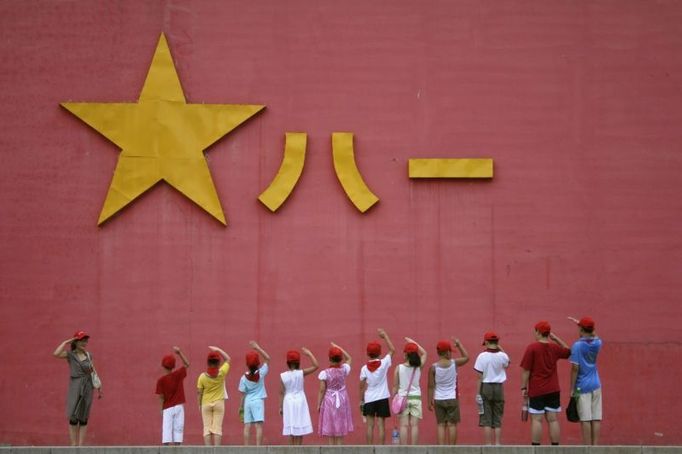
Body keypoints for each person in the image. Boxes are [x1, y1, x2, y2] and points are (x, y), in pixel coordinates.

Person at [520, 321, 570, 445]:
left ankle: (536, 448)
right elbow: (568, 351)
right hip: (553, 389)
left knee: (537, 419)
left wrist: (523, 387)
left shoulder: (532, 348)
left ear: (538, 332)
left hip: (537, 389)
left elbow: (526, 370)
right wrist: (556, 338)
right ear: (548, 333)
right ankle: (555, 448)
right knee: (553, 420)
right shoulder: (554, 348)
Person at [53, 331, 102, 446]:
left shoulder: (88, 355)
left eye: (85, 340)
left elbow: (93, 370)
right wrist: (66, 342)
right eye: (81, 340)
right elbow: (55, 354)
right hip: (75, 385)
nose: (84, 342)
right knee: (73, 415)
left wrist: (99, 385)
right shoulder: (70, 355)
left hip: (88, 386)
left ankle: (80, 446)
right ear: (76, 341)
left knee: (84, 416)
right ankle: (73, 445)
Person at [427, 337, 469, 445]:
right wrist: (459, 345)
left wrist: (429, 401)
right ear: (447, 353)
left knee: (441, 425)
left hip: (438, 399)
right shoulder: (454, 363)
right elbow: (466, 357)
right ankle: (452, 449)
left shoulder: (433, 368)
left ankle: (441, 449)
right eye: (450, 352)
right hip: (452, 398)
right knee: (452, 425)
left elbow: (430, 386)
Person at [568, 316, 602, 445]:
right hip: (596, 384)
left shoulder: (577, 346)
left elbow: (575, 368)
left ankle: (587, 447)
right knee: (596, 417)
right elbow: (595, 334)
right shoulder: (597, 344)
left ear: (581, 329)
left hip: (580, 386)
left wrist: (572, 389)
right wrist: (585, 326)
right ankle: (595, 447)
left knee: (585, 418)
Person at [359, 328, 396, 444]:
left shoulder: (364, 369)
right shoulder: (384, 363)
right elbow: (392, 350)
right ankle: (382, 449)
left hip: (369, 398)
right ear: (380, 353)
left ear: (367, 353)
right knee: (381, 425)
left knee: (370, 426)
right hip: (382, 397)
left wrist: (361, 401)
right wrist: (385, 336)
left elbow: (361, 386)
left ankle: (369, 449)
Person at [473, 332, 510, 445]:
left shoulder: (482, 356)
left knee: (486, 418)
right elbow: (507, 364)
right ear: (497, 342)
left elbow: (479, 377)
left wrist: (478, 393)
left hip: (486, 387)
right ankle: (498, 443)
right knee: (497, 417)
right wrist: (500, 348)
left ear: (486, 342)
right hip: (499, 387)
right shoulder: (503, 356)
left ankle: (488, 444)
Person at [280, 347, 319, 445]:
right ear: (298, 362)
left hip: (288, 401)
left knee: (291, 428)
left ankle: (291, 450)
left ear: (288, 362)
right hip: (300, 400)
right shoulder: (301, 373)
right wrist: (309, 353)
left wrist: (280, 407)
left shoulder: (283, 376)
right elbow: (316, 366)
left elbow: (281, 392)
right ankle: (299, 449)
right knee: (299, 426)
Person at [317, 342, 353, 444]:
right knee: (340, 430)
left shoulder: (324, 373)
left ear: (329, 358)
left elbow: (321, 390)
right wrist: (338, 347)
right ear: (341, 359)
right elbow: (349, 358)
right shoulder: (344, 369)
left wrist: (318, 404)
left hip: (329, 400)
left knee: (331, 431)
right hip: (342, 399)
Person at [393, 337, 427, 445]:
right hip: (416, 398)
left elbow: (395, 386)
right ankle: (414, 450)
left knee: (403, 425)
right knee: (414, 425)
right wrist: (413, 342)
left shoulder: (399, 368)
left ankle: (404, 450)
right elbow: (425, 353)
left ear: (405, 355)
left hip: (403, 398)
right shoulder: (418, 367)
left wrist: (395, 397)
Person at [155, 346, 190, 445]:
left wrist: (161, 409)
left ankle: (166, 449)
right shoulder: (178, 374)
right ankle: (178, 449)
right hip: (179, 406)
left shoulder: (160, 381)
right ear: (173, 366)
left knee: (167, 431)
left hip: (167, 408)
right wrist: (179, 352)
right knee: (178, 432)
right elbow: (187, 364)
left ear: (162, 366)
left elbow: (161, 397)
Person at [238, 341, 271, 446]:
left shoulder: (243, 378)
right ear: (258, 363)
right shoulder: (261, 373)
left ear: (247, 364)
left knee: (247, 426)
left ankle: (246, 448)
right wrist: (258, 348)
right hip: (258, 401)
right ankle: (258, 448)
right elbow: (268, 358)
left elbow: (242, 394)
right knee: (258, 426)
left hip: (247, 401)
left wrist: (240, 407)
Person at [197, 346, 231, 446]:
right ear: (218, 363)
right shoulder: (221, 373)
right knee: (217, 428)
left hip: (205, 403)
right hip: (219, 403)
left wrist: (199, 405)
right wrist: (218, 350)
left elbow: (199, 393)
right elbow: (228, 359)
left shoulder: (202, 377)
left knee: (206, 428)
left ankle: (208, 451)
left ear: (207, 362)